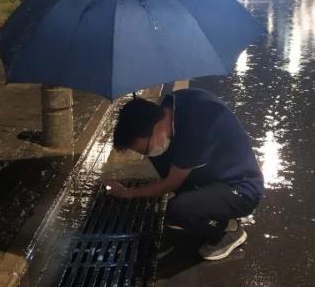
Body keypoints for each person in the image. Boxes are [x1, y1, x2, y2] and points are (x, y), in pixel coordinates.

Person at [106, 88, 264, 261]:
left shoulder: (195, 125)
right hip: (214, 171)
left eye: (142, 149)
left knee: (178, 209)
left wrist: (128, 193)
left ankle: (227, 229)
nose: (144, 154)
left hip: (241, 188)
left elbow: (171, 183)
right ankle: (200, 207)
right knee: (159, 155)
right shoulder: (170, 106)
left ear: (155, 126)